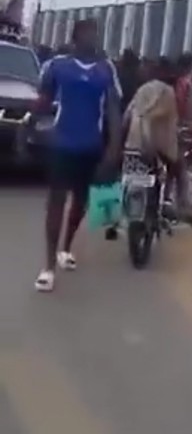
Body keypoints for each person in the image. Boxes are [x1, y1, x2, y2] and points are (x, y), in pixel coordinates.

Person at [34, 18, 122, 292]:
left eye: (96, 33)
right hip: (62, 144)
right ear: (76, 37)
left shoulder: (106, 69)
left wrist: (113, 148)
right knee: (56, 202)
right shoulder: (57, 66)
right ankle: (48, 267)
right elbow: (43, 102)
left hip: (91, 146)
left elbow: (113, 111)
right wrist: (31, 126)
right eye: (88, 33)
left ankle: (66, 248)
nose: (94, 37)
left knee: (81, 202)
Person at [124, 58, 192, 230]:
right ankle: (174, 206)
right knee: (177, 169)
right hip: (154, 146)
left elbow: (128, 114)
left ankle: (115, 213)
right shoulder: (168, 92)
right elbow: (158, 120)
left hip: (133, 144)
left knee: (126, 175)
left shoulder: (142, 89)